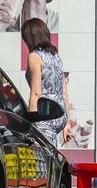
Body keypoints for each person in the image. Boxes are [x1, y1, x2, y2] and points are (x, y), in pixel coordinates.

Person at [21, 17, 73, 146]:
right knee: (51, 152)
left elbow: (36, 94)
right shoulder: (56, 56)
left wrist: (32, 122)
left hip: (46, 112)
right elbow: (64, 94)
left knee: (43, 154)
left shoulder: (34, 57)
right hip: (60, 113)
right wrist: (67, 124)